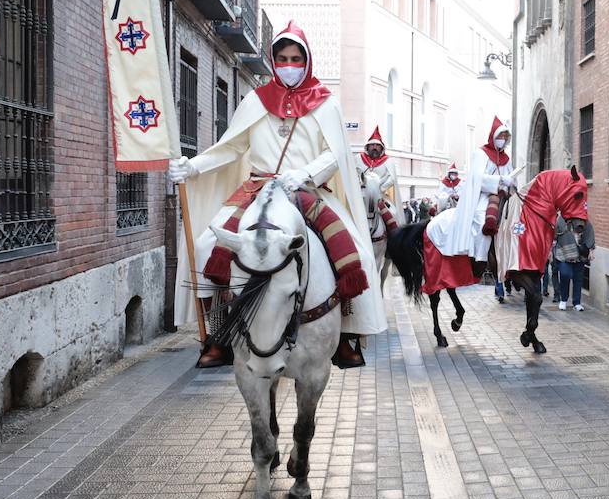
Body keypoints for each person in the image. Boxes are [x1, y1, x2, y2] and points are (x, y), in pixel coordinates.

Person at [169, 21, 386, 369]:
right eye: (283, 57)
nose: (289, 64)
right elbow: (231, 147)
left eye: (296, 58)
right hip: (257, 188)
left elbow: (335, 154)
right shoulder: (255, 101)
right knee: (210, 244)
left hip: (307, 190)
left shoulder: (326, 105)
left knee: (355, 251)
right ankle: (218, 336)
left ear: (307, 60)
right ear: (273, 60)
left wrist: (306, 173)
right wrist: (193, 166)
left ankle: (346, 335)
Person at [427, 117, 515, 266]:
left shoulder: (506, 158)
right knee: (481, 220)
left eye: (506, 136)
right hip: (482, 196)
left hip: (503, 196)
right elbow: (477, 178)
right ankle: (481, 258)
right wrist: (500, 180)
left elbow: (510, 178)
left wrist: (511, 183)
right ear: (494, 136)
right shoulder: (481, 154)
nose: (504, 139)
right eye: (501, 136)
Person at [554, 213, 595, 311]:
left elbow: (590, 234)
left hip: (579, 255)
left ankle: (577, 302)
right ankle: (563, 299)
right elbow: (554, 235)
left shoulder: (585, 221)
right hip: (564, 254)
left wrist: (591, 250)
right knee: (565, 275)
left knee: (578, 278)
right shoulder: (561, 219)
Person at [358, 126, 398, 198]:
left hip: (380, 194)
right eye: (372, 145)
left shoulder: (388, 161)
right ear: (367, 147)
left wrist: (381, 189)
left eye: (377, 145)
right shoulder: (359, 158)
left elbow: (392, 178)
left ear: (381, 148)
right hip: (361, 193)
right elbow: (354, 174)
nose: (375, 147)